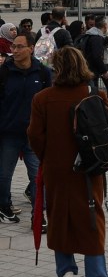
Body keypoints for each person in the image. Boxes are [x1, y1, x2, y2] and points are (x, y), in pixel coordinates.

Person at [28, 46, 108, 277]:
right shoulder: (94, 94)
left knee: (59, 216)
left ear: (56, 69)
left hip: (57, 168)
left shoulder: (42, 98)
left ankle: (66, 272)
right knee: (91, 217)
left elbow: (34, 136)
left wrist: (48, 156)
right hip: (89, 167)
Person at [0, 35, 52, 224]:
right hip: (9, 134)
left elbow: (48, 102)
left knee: (37, 176)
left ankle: (38, 216)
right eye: (13, 46)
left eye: (19, 47)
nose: (14, 50)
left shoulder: (43, 73)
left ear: (31, 48)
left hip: (34, 135)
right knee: (4, 175)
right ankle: (4, 207)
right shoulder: (4, 72)